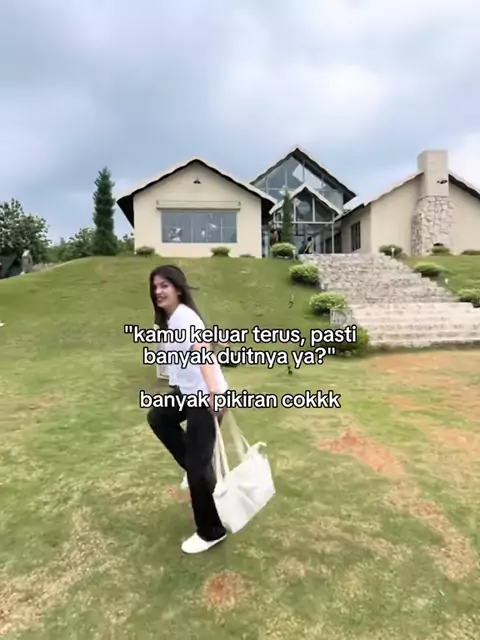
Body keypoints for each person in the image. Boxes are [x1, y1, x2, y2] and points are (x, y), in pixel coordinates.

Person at [146, 264, 228, 555]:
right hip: (187, 393)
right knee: (159, 417)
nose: (158, 291)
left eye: (164, 285)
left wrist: (215, 394)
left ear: (178, 288)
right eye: (155, 287)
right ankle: (200, 472)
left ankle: (211, 531)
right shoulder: (173, 320)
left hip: (206, 397)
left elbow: (202, 354)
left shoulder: (183, 317)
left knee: (196, 466)